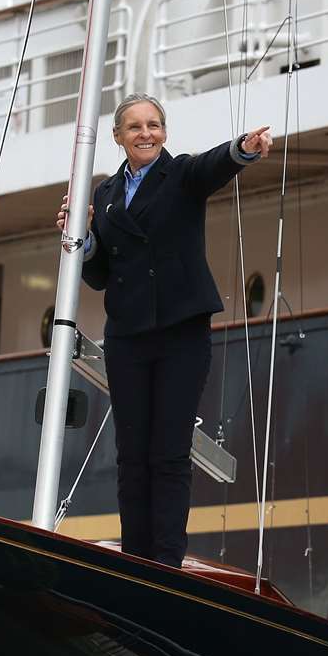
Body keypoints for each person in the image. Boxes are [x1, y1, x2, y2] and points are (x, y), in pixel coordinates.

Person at [58, 93, 272, 567]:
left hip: (180, 332)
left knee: (169, 452)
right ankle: (136, 559)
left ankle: (165, 563)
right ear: (118, 137)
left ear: (165, 132)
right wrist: (85, 240)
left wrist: (244, 147)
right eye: (134, 127)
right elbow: (99, 276)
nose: (146, 133)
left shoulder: (180, 176)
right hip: (129, 335)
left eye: (154, 125)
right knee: (132, 454)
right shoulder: (104, 195)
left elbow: (212, 166)